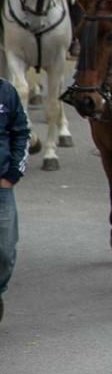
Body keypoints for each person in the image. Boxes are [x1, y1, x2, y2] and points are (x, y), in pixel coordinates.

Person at [0, 74, 31, 325]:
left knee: (5, 250)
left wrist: (12, 174)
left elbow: (21, 132)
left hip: (1, 186)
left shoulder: (6, 92)